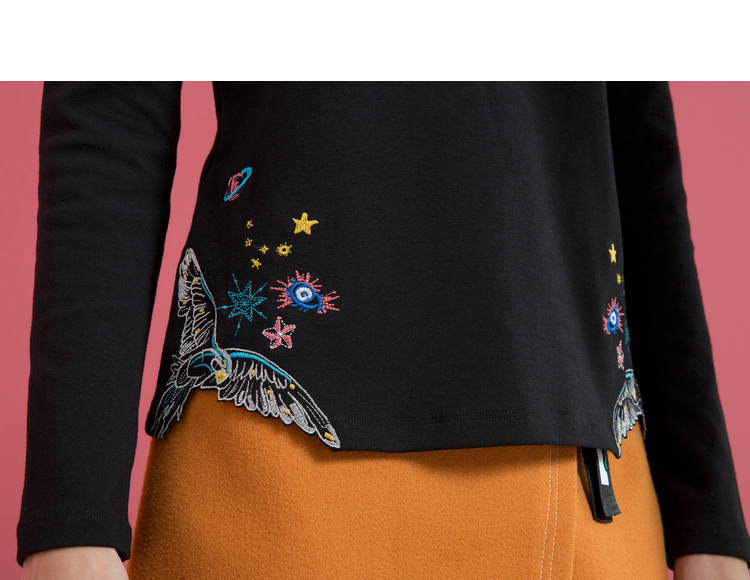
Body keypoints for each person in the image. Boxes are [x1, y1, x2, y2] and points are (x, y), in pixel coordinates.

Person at [18, 82, 750, 579]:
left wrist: (708, 516)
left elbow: (637, 144)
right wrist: (70, 519)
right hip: (270, 480)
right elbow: (107, 117)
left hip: (581, 501)